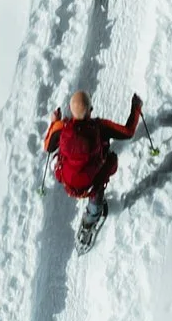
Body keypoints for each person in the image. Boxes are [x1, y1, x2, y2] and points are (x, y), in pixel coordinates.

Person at [43, 89, 143, 245]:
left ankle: (91, 218)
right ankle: (92, 217)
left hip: (67, 180)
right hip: (90, 184)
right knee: (106, 167)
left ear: (70, 109)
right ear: (90, 110)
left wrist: (54, 122)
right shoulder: (100, 127)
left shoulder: (61, 128)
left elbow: (48, 147)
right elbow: (128, 132)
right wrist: (136, 108)